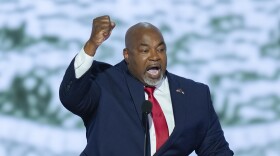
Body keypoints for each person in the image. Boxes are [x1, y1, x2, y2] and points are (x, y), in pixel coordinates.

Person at [59, 15, 234, 156]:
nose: (155, 56)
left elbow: (216, 151)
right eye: (144, 50)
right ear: (127, 55)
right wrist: (91, 45)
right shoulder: (105, 84)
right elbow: (71, 96)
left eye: (160, 49)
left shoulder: (195, 95)